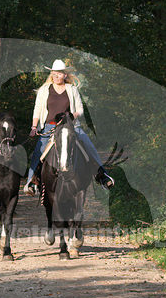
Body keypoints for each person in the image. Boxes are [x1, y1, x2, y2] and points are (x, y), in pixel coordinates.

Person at [23, 59, 114, 196]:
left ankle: (102, 176)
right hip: (49, 126)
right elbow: (37, 109)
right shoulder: (44, 90)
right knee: (39, 151)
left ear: (65, 75)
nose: (56, 76)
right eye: (54, 73)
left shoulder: (72, 89)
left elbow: (80, 109)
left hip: (70, 125)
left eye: (59, 73)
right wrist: (34, 126)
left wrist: (72, 115)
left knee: (88, 145)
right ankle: (31, 182)